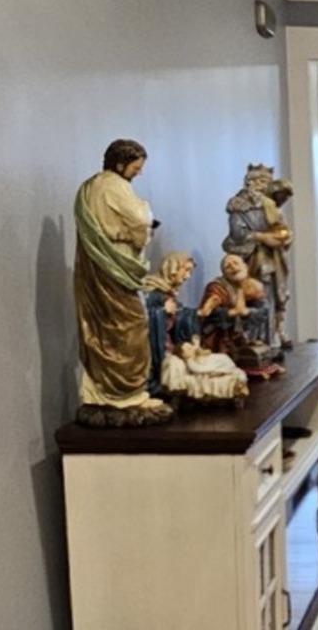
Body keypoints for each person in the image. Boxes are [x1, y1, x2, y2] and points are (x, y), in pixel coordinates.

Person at [73, 139, 173, 424]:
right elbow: (140, 220)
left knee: (104, 327)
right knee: (130, 325)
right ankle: (124, 394)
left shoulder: (91, 186)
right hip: (115, 265)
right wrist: (145, 210)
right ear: (120, 164)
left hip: (99, 269)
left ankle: (104, 391)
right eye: (136, 167)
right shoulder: (114, 186)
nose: (139, 172)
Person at [222, 164, 294, 346]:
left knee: (274, 296)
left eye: (267, 182)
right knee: (257, 296)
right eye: (261, 181)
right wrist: (262, 237)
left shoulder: (270, 205)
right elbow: (237, 234)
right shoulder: (239, 205)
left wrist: (284, 236)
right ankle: (257, 339)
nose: (264, 186)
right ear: (250, 182)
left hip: (273, 257)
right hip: (253, 258)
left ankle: (273, 336)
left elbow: (281, 227)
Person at [143, 252, 199, 397]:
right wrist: (161, 312)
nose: (187, 277)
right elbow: (141, 317)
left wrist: (193, 326)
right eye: (186, 270)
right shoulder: (151, 291)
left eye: (190, 272)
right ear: (173, 268)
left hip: (168, 343)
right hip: (152, 347)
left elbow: (180, 315)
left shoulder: (169, 293)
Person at [197, 252, 272, 356]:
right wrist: (232, 312)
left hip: (242, 336)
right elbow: (210, 314)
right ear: (225, 274)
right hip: (220, 338)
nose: (233, 267)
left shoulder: (252, 285)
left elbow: (263, 310)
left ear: (245, 266)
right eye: (228, 266)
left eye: (236, 263)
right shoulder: (217, 287)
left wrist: (247, 312)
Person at [160, 338, 248, 403]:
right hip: (214, 366)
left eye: (191, 347)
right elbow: (200, 369)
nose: (192, 349)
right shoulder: (190, 362)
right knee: (222, 361)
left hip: (218, 360)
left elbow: (206, 354)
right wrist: (212, 371)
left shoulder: (196, 355)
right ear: (183, 354)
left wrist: (198, 348)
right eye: (188, 349)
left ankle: (229, 369)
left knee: (222, 358)